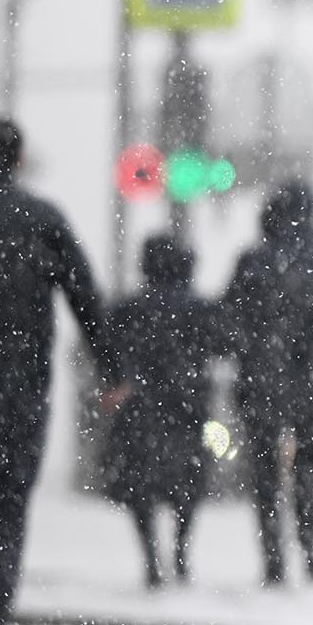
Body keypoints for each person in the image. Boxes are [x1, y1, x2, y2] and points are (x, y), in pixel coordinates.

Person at [0, 117, 127, 625]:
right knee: (10, 501)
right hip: (21, 385)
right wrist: (112, 370)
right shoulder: (43, 220)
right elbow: (86, 299)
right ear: (19, 160)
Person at [223, 181, 313, 586]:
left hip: (259, 379)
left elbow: (230, 312)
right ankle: (309, 547)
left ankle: (272, 555)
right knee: (308, 464)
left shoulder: (253, 260)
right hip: (307, 378)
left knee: (264, 471)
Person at [104, 236, 228, 588]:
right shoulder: (200, 309)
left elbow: (106, 346)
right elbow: (226, 342)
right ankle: (180, 551)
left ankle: (151, 558)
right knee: (186, 486)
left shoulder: (129, 309)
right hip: (188, 409)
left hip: (140, 410)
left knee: (141, 487)